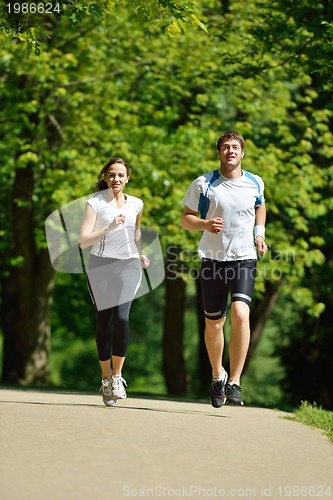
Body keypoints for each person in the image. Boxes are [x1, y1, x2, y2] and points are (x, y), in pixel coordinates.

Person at [181, 131, 268, 407]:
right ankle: (218, 374)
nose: (230, 151)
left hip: (244, 257)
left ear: (242, 153)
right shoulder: (204, 184)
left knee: (241, 314)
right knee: (214, 323)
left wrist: (260, 233)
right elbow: (186, 219)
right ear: (218, 153)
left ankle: (235, 382)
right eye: (225, 147)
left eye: (235, 147)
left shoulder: (255, 182)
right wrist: (205, 225)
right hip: (213, 259)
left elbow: (260, 206)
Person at [79, 157, 149, 406]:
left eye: (120, 175)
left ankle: (118, 376)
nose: (116, 179)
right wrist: (108, 227)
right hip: (100, 265)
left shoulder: (137, 204)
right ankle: (105, 377)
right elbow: (83, 241)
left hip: (128, 264)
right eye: (111, 175)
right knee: (104, 321)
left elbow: (136, 230)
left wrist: (140, 252)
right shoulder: (95, 204)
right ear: (106, 178)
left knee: (122, 317)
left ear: (127, 178)